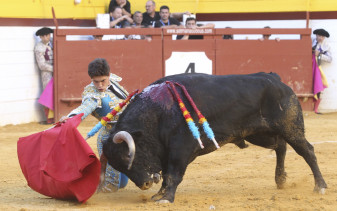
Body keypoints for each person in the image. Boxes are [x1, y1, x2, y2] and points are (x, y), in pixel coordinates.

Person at [59, 58, 129, 192]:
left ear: (109, 75)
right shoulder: (92, 94)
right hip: (110, 136)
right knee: (116, 183)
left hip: (129, 129)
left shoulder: (113, 81)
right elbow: (84, 109)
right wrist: (69, 118)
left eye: (103, 81)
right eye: (96, 81)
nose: (100, 85)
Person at [34, 27, 54, 125]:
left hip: (57, 73)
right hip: (47, 74)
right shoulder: (39, 47)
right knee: (48, 95)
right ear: (41, 37)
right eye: (44, 36)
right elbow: (42, 65)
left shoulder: (54, 44)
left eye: (48, 35)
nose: (46, 37)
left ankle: (56, 117)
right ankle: (49, 119)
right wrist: (56, 69)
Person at [312, 28, 332, 114]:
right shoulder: (310, 41)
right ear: (316, 35)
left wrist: (320, 54)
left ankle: (315, 109)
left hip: (317, 67)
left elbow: (330, 59)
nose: (320, 38)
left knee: (318, 85)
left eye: (322, 36)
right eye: (319, 35)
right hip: (307, 66)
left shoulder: (326, 46)